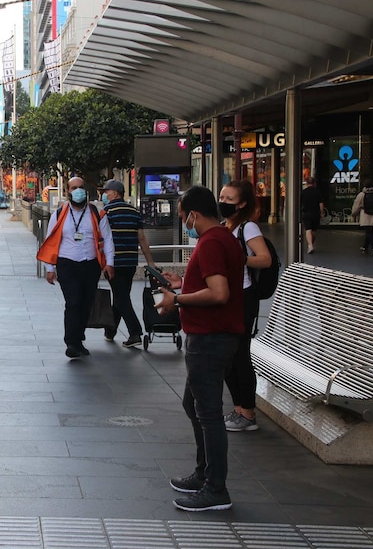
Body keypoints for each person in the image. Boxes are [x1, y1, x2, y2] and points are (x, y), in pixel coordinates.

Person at [154, 185, 245, 512]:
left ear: (193, 214)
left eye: (184, 218)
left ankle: (215, 488)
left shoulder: (210, 244)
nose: (185, 224)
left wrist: (176, 299)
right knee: (193, 406)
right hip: (214, 335)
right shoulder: (223, 239)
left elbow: (219, 293)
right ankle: (204, 473)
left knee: (207, 414)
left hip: (211, 338)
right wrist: (181, 285)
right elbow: (214, 284)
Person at [37, 176, 115, 358]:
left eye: (80, 187)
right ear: (68, 191)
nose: (78, 191)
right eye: (73, 188)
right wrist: (50, 268)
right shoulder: (59, 214)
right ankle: (71, 342)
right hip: (67, 264)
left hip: (90, 264)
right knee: (73, 303)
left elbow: (108, 239)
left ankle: (78, 337)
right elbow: (50, 240)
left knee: (86, 303)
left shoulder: (97, 213)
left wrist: (109, 263)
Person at [218, 180, 272, 432]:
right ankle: (239, 408)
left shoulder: (247, 228)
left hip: (243, 297)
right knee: (227, 355)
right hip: (226, 296)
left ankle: (248, 413)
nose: (223, 203)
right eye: (222, 197)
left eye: (229, 199)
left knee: (239, 355)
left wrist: (241, 259)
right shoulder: (224, 227)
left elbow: (265, 259)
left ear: (241, 203)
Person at [101, 179, 156, 348]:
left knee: (121, 297)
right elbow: (141, 238)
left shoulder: (106, 212)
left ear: (115, 193)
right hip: (130, 262)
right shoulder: (134, 212)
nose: (104, 194)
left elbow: (101, 238)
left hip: (114, 262)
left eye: (107, 191)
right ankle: (110, 331)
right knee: (121, 295)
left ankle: (135, 332)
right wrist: (150, 262)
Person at [352, 180, 373, 256]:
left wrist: (354, 214)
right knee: (369, 230)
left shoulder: (362, 195)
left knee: (369, 232)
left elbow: (356, 205)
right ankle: (364, 246)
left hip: (365, 216)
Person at [300, 177, 324, 254]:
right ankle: (311, 244)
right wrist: (322, 213)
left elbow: (299, 204)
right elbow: (321, 203)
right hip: (315, 213)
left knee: (308, 229)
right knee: (314, 230)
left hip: (306, 213)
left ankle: (310, 245)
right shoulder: (317, 192)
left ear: (306, 184)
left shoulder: (303, 192)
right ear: (314, 183)